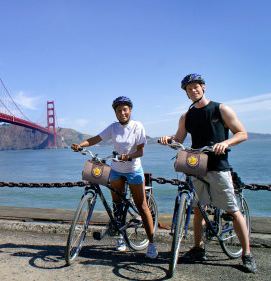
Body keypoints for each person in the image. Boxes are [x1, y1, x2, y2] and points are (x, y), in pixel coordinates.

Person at [159, 73, 257, 273]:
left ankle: (247, 254)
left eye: (196, 86)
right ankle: (198, 248)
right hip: (196, 165)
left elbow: (242, 133)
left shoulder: (221, 109)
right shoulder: (186, 116)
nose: (193, 90)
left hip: (218, 166)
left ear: (203, 87)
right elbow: (179, 139)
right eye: (189, 89)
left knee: (232, 209)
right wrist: (168, 140)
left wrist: (225, 143)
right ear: (186, 93)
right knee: (198, 209)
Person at [71, 96, 157, 259]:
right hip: (116, 170)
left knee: (141, 205)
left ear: (130, 110)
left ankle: (152, 243)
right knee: (117, 205)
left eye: (125, 109)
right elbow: (96, 138)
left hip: (133, 169)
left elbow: (141, 151)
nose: (122, 113)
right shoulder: (113, 127)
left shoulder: (137, 126)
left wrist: (128, 156)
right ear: (115, 113)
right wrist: (80, 145)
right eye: (119, 110)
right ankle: (120, 239)